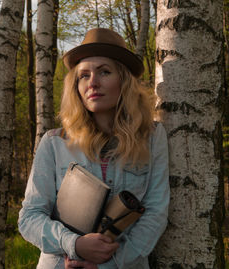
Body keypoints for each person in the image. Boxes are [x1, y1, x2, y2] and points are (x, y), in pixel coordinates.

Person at [18, 28, 170, 269]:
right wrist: (75, 244)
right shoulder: (54, 142)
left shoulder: (151, 137)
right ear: (75, 85)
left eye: (105, 72)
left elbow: (155, 212)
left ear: (124, 81)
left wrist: (106, 265)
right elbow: (29, 218)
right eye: (84, 75)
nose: (93, 83)